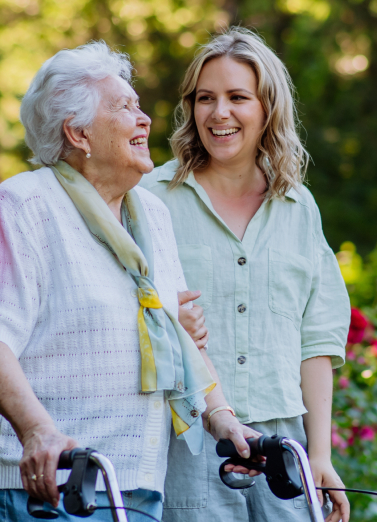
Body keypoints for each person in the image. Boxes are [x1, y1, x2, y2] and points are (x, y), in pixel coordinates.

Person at [0, 41, 256, 522]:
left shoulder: (152, 214)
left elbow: (176, 334)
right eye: (125, 107)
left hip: (136, 478)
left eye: (139, 106)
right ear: (79, 132)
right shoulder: (26, 204)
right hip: (51, 481)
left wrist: (221, 416)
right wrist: (38, 431)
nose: (145, 120)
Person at [144, 28, 352, 522]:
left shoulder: (298, 207)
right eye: (205, 98)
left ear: (267, 109)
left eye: (238, 97)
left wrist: (318, 456)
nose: (219, 113)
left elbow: (316, 339)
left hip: (284, 448)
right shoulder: (151, 198)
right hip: (189, 445)